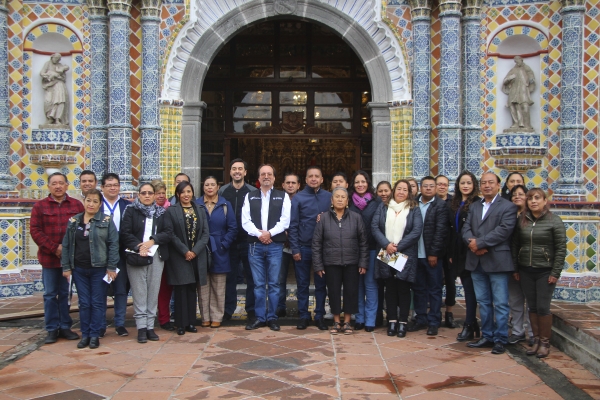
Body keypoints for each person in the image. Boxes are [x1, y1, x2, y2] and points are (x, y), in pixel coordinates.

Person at [462, 172, 518, 355]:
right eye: (484, 183)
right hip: (476, 260)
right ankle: (487, 335)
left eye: (490, 183)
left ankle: (501, 338)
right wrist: (473, 243)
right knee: (484, 302)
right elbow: (466, 228)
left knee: (501, 303)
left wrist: (481, 243)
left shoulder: (508, 207)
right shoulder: (475, 206)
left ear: (498, 185)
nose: (487, 186)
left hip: (497, 261)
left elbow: (504, 230)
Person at [511, 189, 566, 358]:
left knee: (543, 307)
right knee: (532, 306)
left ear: (544, 201)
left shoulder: (554, 221)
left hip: (545, 271)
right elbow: (515, 245)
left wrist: (555, 272)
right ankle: (535, 340)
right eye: (530, 199)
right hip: (526, 269)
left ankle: (544, 342)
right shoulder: (522, 220)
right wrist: (516, 268)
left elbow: (561, 249)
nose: (533, 201)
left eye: (537, 198)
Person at [30, 172, 84, 344]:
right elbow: (35, 231)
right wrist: (55, 248)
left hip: (70, 259)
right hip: (49, 259)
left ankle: (65, 326)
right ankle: (52, 328)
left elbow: (83, 228)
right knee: (50, 294)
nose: (58, 186)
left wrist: (68, 249)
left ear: (67, 185)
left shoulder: (76, 205)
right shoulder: (40, 206)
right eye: (54, 183)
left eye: (61, 183)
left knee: (65, 293)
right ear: (49, 186)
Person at [61, 189, 119, 349]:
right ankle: (85, 334)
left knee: (97, 302)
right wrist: (66, 267)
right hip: (79, 269)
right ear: (84, 201)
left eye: (95, 201)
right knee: (84, 303)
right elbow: (66, 244)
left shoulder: (106, 221)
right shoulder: (74, 221)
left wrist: (111, 267)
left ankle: (94, 334)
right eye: (88, 200)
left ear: (100, 204)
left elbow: (114, 244)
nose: (91, 204)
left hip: (99, 268)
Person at [120, 183, 172, 343]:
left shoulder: (161, 212)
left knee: (153, 290)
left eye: (151, 193)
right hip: (136, 255)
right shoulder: (130, 211)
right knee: (140, 291)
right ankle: (141, 327)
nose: (147, 196)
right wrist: (139, 247)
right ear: (139, 195)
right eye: (144, 193)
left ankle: (150, 326)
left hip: (156, 255)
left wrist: (152, 241)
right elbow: (125, 233)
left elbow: (168, 232)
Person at [312, 187, 368, 335]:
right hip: (331, 263)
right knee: (334, 292)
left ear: (347, 200)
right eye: (337, 197)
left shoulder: (356, 218)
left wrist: (363, 262)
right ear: (331, 200)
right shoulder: (323, 218)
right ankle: (337, 321)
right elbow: (316, 243)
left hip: (352, 262)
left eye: (343, 197)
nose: (340, 199)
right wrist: (318, 264)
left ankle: (348, 322)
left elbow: (363, 242)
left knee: (351, 292)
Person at [372, 180, 423, 338]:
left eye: (405, 190)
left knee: (403, 288)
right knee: (390, 287)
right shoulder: (384, 206)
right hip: (387, 252)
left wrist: (398, 247)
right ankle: (392, 320)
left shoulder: (414, 208)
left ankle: (403, 322)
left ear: (409, 193)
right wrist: (387, 245)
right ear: (394, 191)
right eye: (399, 189)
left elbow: (416, 231)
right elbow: (374, 227)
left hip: (404, 253)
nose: (401, 192)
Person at [242, 165, 291, 331]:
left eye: (269, 174)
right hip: (255, 246)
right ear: (258, 177)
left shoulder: (282, 196)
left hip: (275, 246)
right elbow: (245, 221)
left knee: (275, 283)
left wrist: (269, 233)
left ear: (274, 178)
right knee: (258, 284)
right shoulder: (250, 196)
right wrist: (259, 235)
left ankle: (272, 317)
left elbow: (285, 221)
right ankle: (260, 317)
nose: (266, 176)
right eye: (263, 174)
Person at [289, 166, 332, 330]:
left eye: (317, 176)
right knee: (302, 284)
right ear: (306, 180)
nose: (314, 179)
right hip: (303, 247)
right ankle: (303, 316)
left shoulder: (329, 197)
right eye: (310, 176)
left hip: (323, 249)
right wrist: (295, 249)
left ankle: (320, 315)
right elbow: (293, 225)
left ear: (322, 179)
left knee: (321, 285)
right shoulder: (298, 198)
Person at [164, 181, 210, 335]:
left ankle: (191, 322)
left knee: (192, 289)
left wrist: (195, 251)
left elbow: (205, 234)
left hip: (196, 255)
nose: (186, 195)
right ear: (178, 194)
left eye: (189, 191)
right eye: (183, 192)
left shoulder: (200, 210)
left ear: (193, 193)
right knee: (181, 289)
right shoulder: (171, 211)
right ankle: (181, 324)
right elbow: (171, 234)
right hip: (179, 256)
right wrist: (185, 251)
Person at [409, 176, 449, 336]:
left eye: (431, 186)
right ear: (420, 187)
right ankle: (420, 318)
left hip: (431, 256)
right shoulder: (413, 203)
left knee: (434, 289)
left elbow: (441, 232)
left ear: (436, 188)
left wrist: (433, 253)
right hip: (415, 255)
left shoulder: (440, 205)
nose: (428, 189)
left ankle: (434, 320)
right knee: (418, 288)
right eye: (425, 186)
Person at [219, 159, 258, 321]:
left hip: (248, 241)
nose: (237, 171)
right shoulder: (222, 191)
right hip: (229, 242)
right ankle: (228, 309)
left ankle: (251, 309)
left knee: (251, 276)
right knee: (229, 277)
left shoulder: (252, 191)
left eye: (240, 169)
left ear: (245, 172)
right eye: (234, 168)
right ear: (230, 172)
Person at [196, 176, 237, 328]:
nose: (209, 187)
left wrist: (223, 244)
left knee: (219, 285)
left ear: (218, 186)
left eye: (213, 184)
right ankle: (205, 317)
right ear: (203, 187)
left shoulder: (225, 204)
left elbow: (233, 228)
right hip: (202, 248)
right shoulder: (196, 204)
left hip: (220, 248)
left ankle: (217, 316)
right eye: (207, 185)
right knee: (203, 285)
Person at [449, 171, 481, 341]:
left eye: (469, 183)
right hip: (458, 251)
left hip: (469, 250)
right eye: (463, 183)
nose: (466, 186)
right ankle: (472, 324)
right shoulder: (455, 203)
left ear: (474, 185)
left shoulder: (477, 203)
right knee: (467, 286)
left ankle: (470, 323)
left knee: (470, 289)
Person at [100, 173, 132, 337]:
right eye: (109, 185)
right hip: (101, 253)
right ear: (102, 188)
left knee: (121, 289)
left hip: (121, 253)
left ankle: (120, 323)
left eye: (115, 185)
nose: (113, 188)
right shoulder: (97, 205)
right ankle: (100, 323)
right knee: (100, 289)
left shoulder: (127, 205)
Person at [348, 171, 380, 332]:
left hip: (372, 249)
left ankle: (370, 320)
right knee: (357, 286)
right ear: (353, 184)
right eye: (357, 182)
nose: (360, 184)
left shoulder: (376, 202)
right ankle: (359, 318)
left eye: (363, 181)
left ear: (368, 183)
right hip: (354, 250)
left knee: (370, 285)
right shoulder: (349, 203)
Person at [507, 184, 534, 345]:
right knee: (515, 300)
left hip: (528, 264)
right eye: (514, 194)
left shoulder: (533, 216)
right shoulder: (508, 214)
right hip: (511, 262)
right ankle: (518, 331)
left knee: (531, 302)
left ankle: (532, 332)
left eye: (521, 194)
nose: (517, 196)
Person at [151, 179, 174, 331]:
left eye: (163, 193)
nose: (160, 196)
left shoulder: (171, 209)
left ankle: (164, 318)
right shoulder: (145, 210)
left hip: (168, 253)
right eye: (157, 193)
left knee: (165, 288)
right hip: (150, 253)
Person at [277, 172, 300, 317]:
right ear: (283, 185)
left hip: (298, 244)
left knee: (301, 278)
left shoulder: (303, 200)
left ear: (298, 185)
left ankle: (302, 308)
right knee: (279, 278)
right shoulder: (277, 199)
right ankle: (280, 307)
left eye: (293, 183)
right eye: (288, 183)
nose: (290, 185)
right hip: (281, 245)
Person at [436, 174, 456, 328]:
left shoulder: (454, 203)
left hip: (449, 249)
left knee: (450, 282)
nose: (442, 187)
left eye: (445, 184)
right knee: (434, 282)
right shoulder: (430, 202)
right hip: (433, 251)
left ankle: (449, 312)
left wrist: (452, 252)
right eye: (439, 184)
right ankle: (434, 313)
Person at [502, 56, 536, 130]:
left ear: (521, 60)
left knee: (525, 105)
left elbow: (531, 76)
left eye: (517, 60)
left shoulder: (527, 69)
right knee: (512, 105)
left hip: (523, 89)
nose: (516, 62)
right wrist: (509, 78)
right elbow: (505, 81)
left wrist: (531, 80)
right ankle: (516, 123)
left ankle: (526, 124)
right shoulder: (513, 70)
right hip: (514, 90)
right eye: (515, 61)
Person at [40, 53, 69, 126]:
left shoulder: (60, 66)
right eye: (55, 58)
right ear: (52, 57)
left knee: (60, 101)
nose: (57, 60)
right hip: (50, 86)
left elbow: (63, 77)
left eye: (58, 59)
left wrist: (58, 75)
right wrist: (49, 75)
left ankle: (57, 119)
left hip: (59, 84)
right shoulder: (48, 64)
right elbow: (42, 73)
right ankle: (50, 117)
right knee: (49, 101)